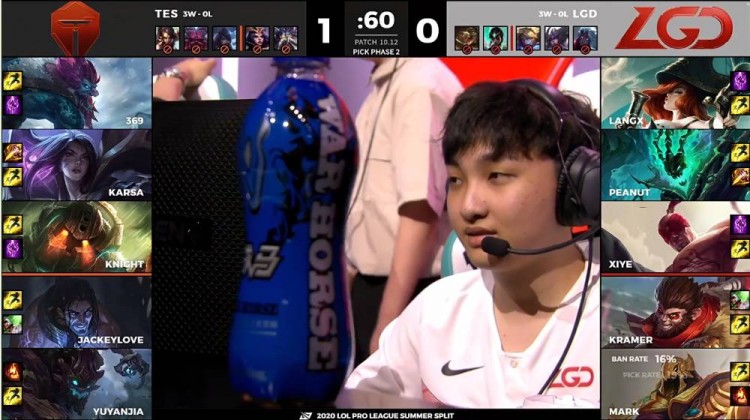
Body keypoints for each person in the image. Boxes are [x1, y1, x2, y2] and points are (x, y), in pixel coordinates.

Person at [341, 81, 601, 408]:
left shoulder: (632, 317)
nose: (468, 207)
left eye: (497, 176)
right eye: (456, 180)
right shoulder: (434, 313)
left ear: (574, 188)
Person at [345, 58, 463, 366]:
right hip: (375, 288)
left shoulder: (417, 84)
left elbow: (420, 209)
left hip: (407, 292)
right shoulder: (386, 85)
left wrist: (387, 325)